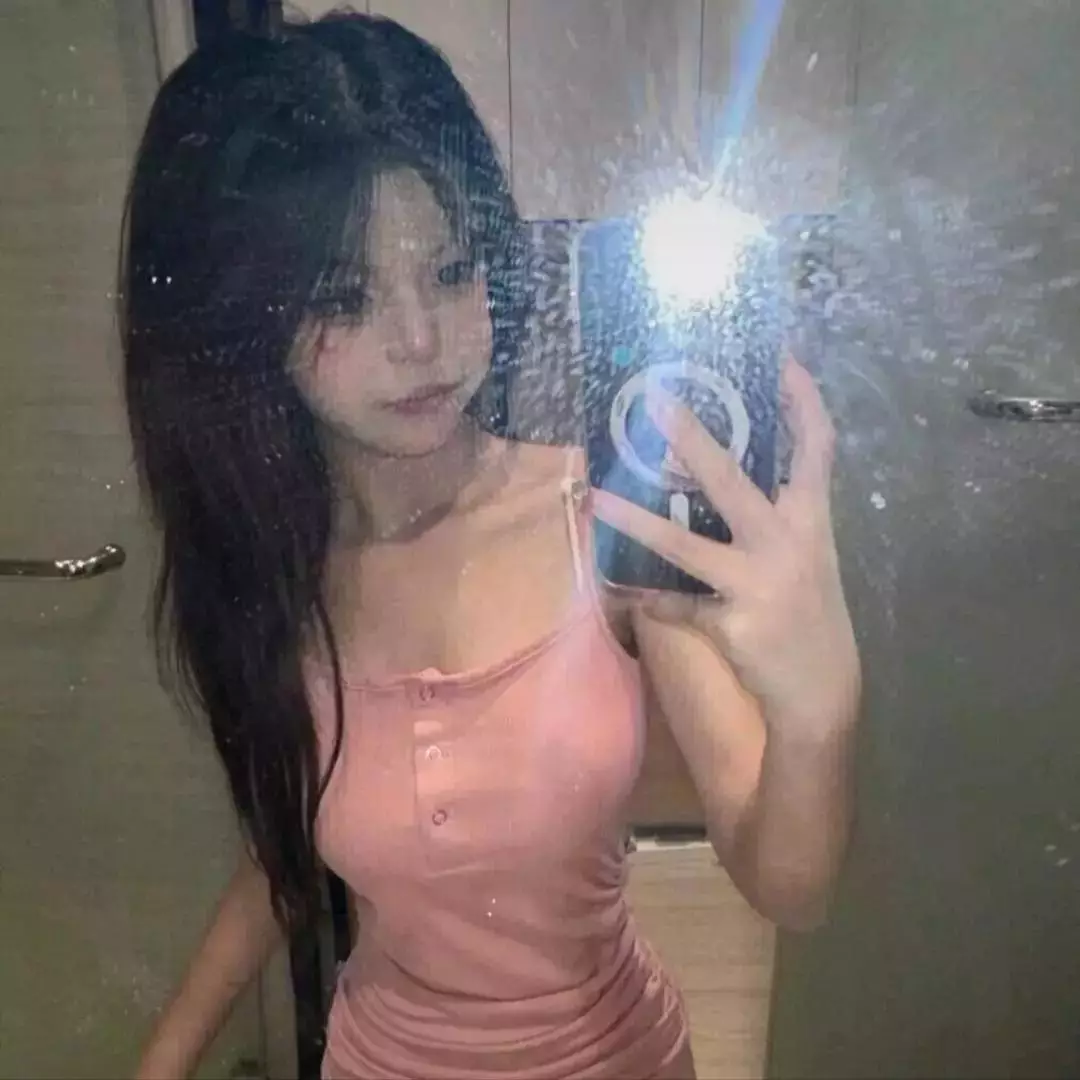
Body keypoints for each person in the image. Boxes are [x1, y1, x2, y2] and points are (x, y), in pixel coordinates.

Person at [124, 13, 860, 1080]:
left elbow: (789, 884)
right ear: (250, 321)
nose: (420, 340)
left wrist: (816, 712)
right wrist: (163, 1060)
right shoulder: (274, 567)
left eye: (453, 269)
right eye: (344, 297)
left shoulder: (602, 515)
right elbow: (283, 848)